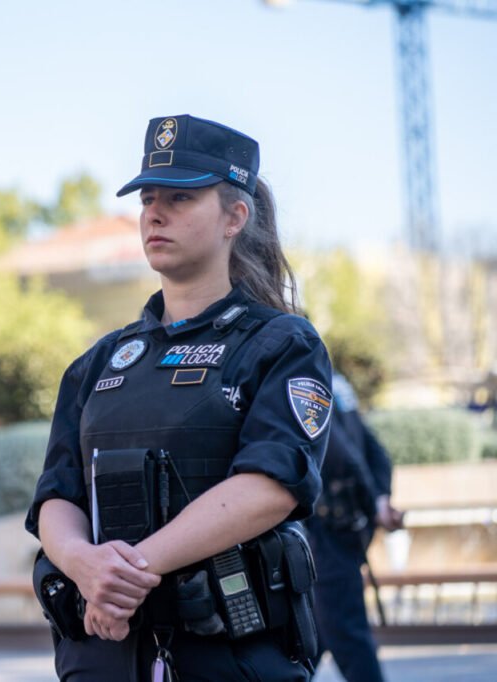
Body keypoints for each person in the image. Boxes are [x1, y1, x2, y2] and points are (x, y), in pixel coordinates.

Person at [26, 115, 333, 681]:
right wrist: (84, 565)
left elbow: (270, 487)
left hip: (224, 657)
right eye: (148, 199)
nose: (155, 214)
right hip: (102, 654)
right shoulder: (100, 361)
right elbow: (56, 494)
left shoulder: (281, 344)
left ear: (234, 217)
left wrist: (126, 574)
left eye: (180, 198)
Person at [307, 373, 403, 682]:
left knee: (344, 631)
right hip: (341, 528)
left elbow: (343, 456)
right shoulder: (335, 381)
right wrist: (378, 500)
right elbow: (375, 452)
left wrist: (374, 502)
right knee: (311, 635)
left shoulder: (303, 379)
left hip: (326, 531)